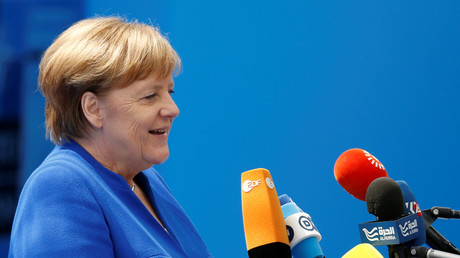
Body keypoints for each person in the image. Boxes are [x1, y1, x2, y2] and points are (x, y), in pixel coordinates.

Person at [8, 16, 211, 257]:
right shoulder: (60, 185)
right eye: (149, 96)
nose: (173, 109)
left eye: (169, 91)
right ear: (93, 109)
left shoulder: (146, 178)